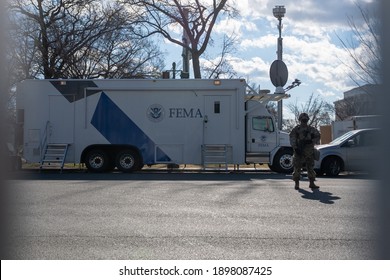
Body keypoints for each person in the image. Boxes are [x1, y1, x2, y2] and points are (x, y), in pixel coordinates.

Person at [289, 113, 321, 190]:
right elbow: (292, 138)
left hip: (309, 150)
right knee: (297, 167)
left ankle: (312, 183)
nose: (304, 121)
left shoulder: (311, 129)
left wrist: (311, 141)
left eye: (305, 120)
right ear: (300, 120)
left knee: (310, 167)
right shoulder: (296, 129)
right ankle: (297, 183)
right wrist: (296, 148)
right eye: (303, 120)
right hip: (299, 150)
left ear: (307, 120)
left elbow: (318, 136)